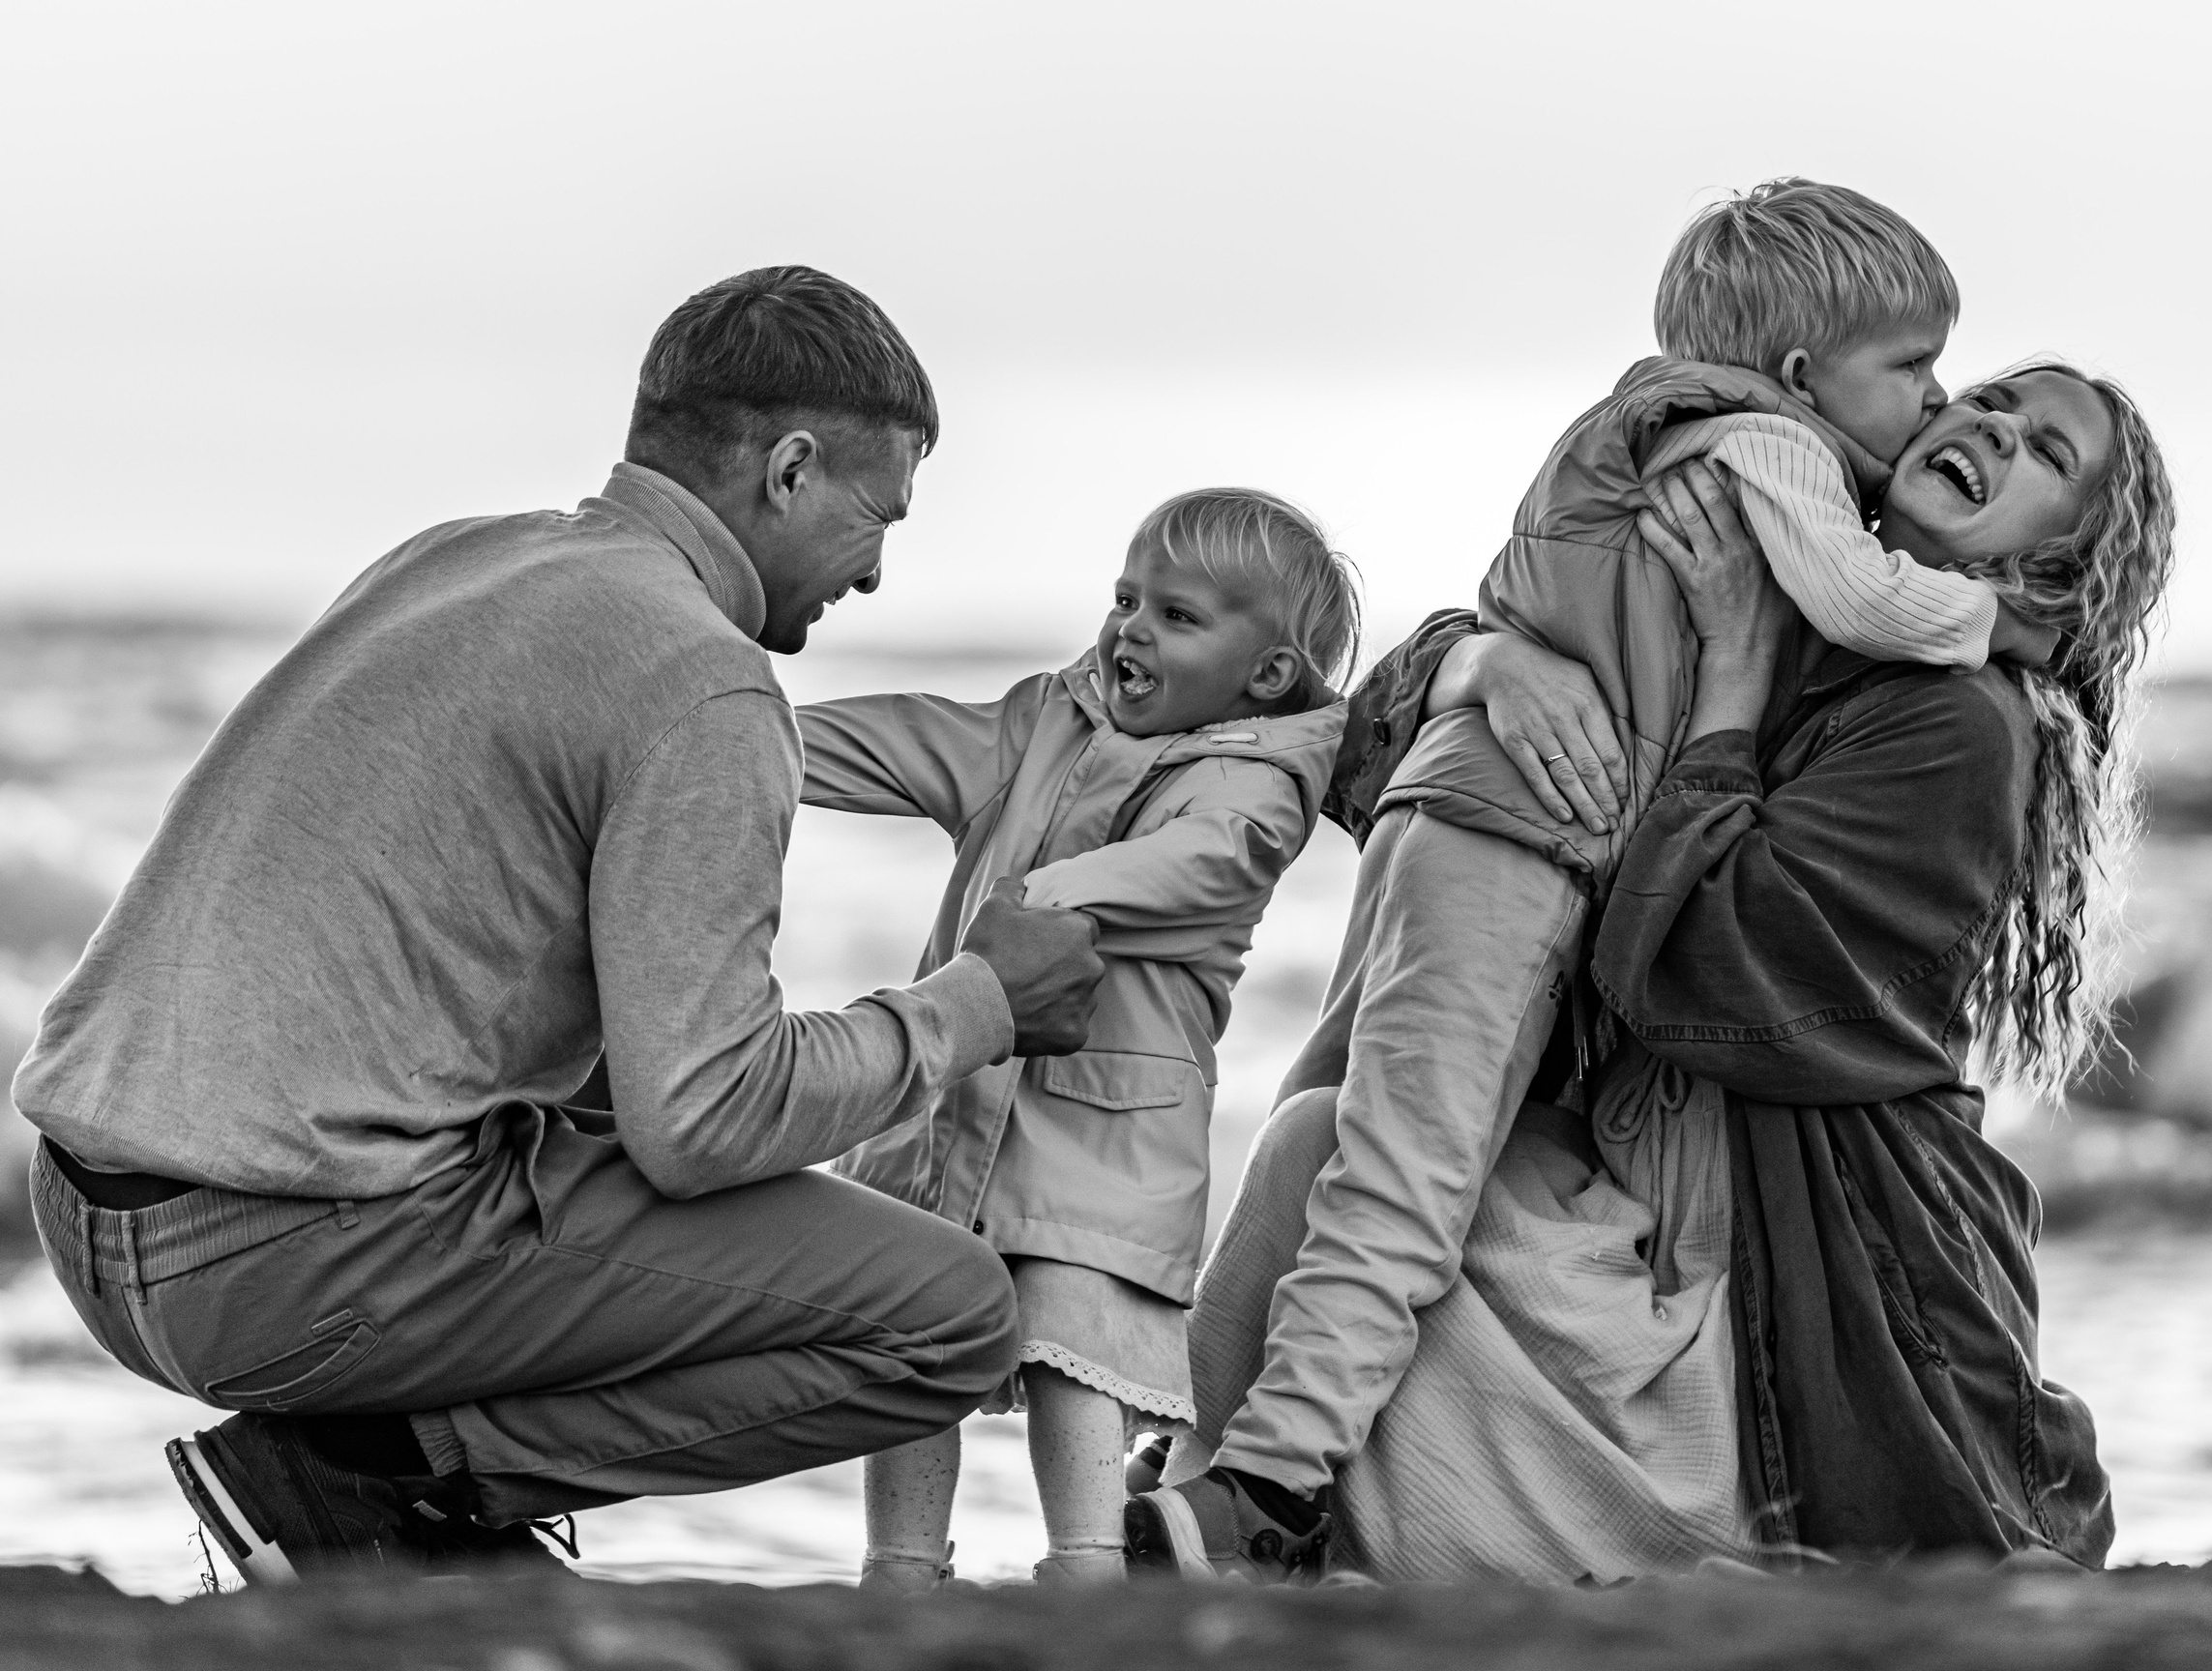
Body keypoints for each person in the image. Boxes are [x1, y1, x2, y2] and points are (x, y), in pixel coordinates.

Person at [7, 266, 1106, 1583]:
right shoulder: (706, 681)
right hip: (267, 1269)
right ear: (791, 471)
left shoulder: (453, 557)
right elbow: (704, 1121)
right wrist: (976, 1008)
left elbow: (562, 1049)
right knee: (951, 1319)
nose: (874, 573)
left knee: (598, 1121)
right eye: (879, 516)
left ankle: (369, 1489)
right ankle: (371, 1483)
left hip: (83, 1219)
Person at [1129, 178, 2057, 1576]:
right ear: (1806, 372)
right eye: (1961, 387)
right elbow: (1374, 731)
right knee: (1331, 1132)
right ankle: (1225, 1478)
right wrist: (1485, 661)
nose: (1959, 411)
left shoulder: (1947, 715)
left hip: (1750, 1261)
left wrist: (1732, 682)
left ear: (2058, 560)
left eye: (2039, 445)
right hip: (1606, 1151)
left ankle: (1249, 1485)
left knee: (1354, 1151)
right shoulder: (1756, 526)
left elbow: (1711, 970)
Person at [794, 488, 1354, 1588]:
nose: (1131, 629)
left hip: (1106, 1139)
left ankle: (1089, 1572)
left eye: (1177, 616)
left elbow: (1196, 863)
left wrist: (1033, 900)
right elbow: (918, 739)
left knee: (1072, 1352)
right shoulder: (1044, 724)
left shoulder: (1259, 790)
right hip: (954, 1120)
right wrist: (750, 741)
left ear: (1268, 674)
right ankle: (899, 1571)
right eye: (1125, 598)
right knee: (907, 1340)